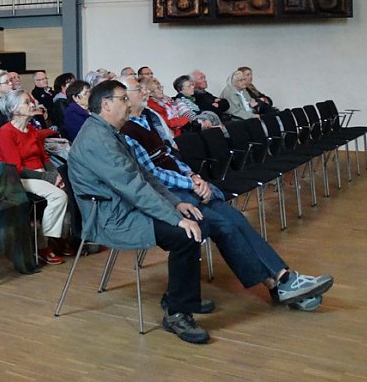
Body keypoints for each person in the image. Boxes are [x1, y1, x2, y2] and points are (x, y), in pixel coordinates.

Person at [119, 75, 333, 311]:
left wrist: (193, 176)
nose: (145, 91)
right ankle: (279, 282)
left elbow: (172, 156)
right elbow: (152, 173)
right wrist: (190, 184)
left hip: (182, 183)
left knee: (235, 217)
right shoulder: (126, 130)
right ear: (123, 98)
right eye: (138, 89)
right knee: (223, 223)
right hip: (166, 194)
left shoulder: (151, 117)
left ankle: (281, 280)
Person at [68, 79, 210, 344]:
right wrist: (175, 219)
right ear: (106, 104)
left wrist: (175, 203)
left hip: (125, 207)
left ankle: (180, 297)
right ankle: (178, 312)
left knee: (196, 222)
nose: (129, 102)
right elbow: (133, 187)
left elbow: (144, 176)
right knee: (185, 236)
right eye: (123, 99)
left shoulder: (111, 132)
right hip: (111, 218)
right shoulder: (97, 140)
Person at [0, 89, 70, 265]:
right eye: (27, 102)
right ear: (14, 109)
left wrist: (56, 174)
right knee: (59, 196)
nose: (32, 105)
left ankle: (63, 237)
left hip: (40, 174)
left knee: (71, 188)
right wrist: (49, 178)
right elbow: (17, 169)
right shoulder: (6, 133)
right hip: (18, 177)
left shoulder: (31, 130)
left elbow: (44, 158)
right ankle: (46, 244)